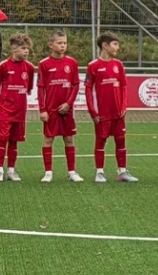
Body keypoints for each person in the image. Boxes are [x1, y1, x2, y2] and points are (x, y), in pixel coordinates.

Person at [85, 34, 135, 182]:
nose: (118, 48)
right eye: (115, 44)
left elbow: (124, 87)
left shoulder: (118, 65)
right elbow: (88, 90)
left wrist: (123, 106)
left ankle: (123, 172)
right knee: (101, 141)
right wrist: (92, 111)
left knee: (121, 141)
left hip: (118, 113)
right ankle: (99, 172)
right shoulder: (93, 66)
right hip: (102, 113)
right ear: (105, 46)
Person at [37, 31, 82, 183]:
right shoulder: (44, 64)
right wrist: (42, 110)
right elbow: (41, 88)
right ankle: (48, 172)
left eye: (65, 43)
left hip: (67, 110)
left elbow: (76, 85)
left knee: (69, 139)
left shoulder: (72, 63)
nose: (63, 46)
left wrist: (69, 104)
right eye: (59, 43)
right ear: (51, 45)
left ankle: (72, 172)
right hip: (51, 109)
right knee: (48, 139)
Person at [0, 33, 36, 182]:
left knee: (14, 139)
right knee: (3, 137)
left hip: (20, 109)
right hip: (5, 108)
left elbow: (28, 88)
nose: (26, 51)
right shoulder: (3, 66)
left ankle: (11, 170)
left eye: (27, 48)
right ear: (14, 48)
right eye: (23, 48)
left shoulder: (29, 67)